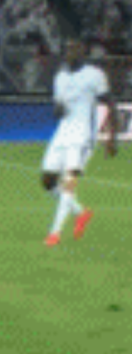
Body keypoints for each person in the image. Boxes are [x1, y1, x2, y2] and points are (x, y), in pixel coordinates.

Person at [41, 37, 119, 247]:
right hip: (62, 133)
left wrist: (111, 137)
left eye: (74, 48)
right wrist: (58, 110)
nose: (70, 52)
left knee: (69, 181)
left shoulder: (94, 75)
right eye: (67, 49)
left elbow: (110, 103)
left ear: (82, 51)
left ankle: (54, 233)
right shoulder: (60, 77)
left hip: (82, 136)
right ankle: (81, 213)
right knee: (47, 181)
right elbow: (58, 110)